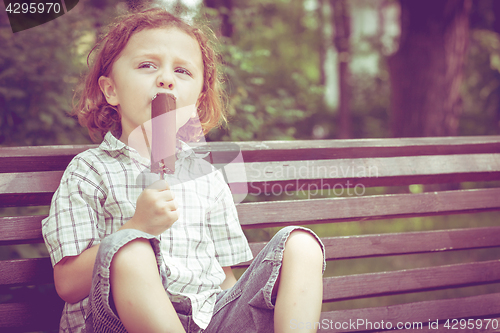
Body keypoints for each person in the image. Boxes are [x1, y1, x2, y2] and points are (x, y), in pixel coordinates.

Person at [42, 6, 325, 333]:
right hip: (118, 323)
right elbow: (67, 284)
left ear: (198, 100)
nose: (165, 78)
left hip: (207, 319)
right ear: (111, 90)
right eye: (147, 65)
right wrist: (137, 226)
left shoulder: (207, 176)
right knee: (131, 248)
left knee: (301, 245)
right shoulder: (89, 171)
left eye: (183, 71)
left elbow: (225, 279)